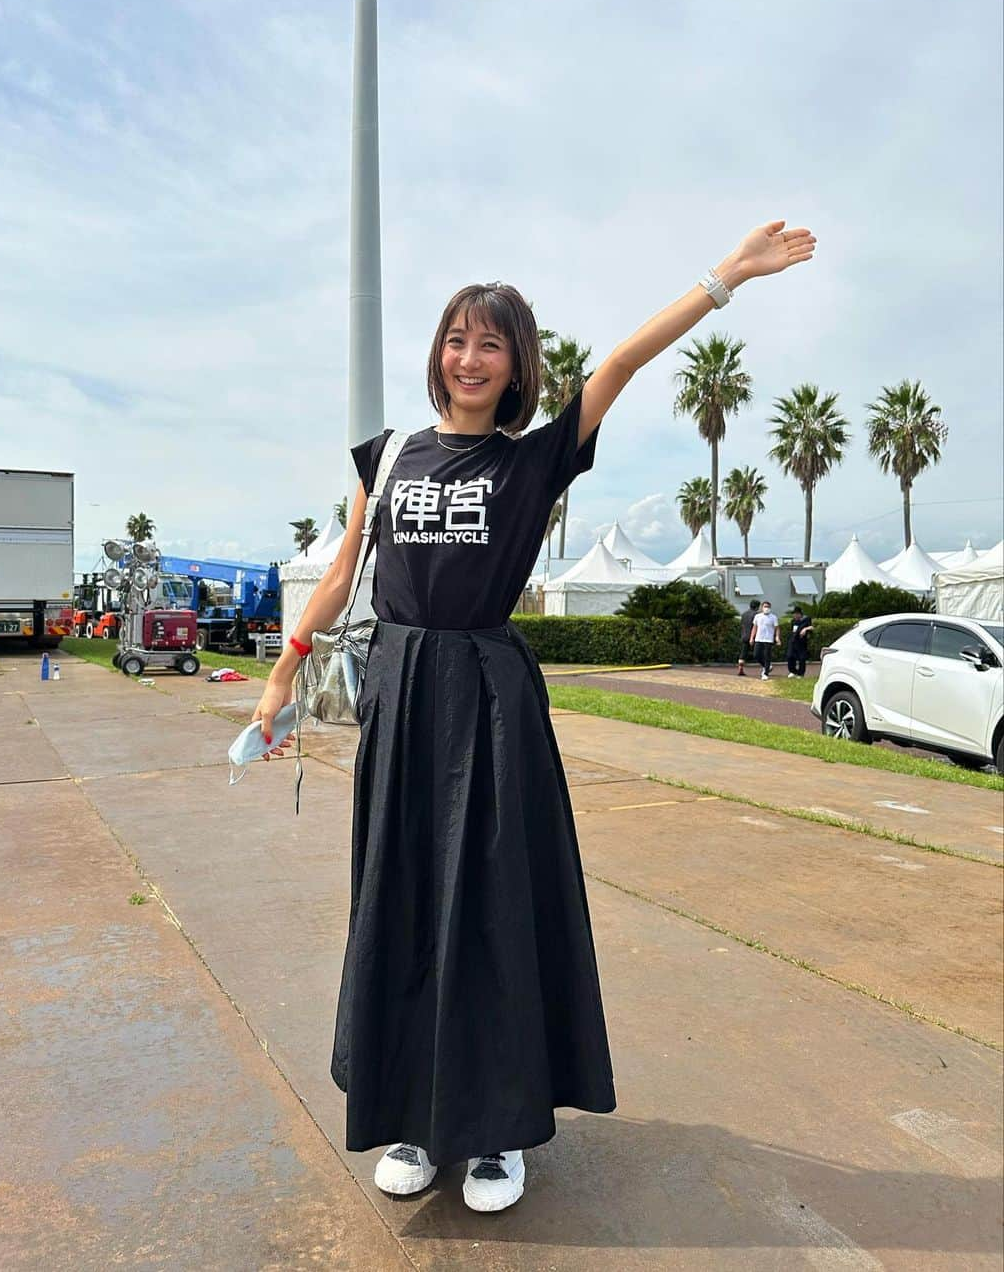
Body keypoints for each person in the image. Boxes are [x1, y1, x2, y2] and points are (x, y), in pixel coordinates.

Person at [250, 219, 815, 1211]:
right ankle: (421, 1124)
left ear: (516, 366)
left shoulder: (535, 460)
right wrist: (281, 672)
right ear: (439, 353)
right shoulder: (386, 458)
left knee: (493, 914)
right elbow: (343, 576)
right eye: (457, 339)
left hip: (492, 704)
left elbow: (627, 359)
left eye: (491, 343)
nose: (469, 358)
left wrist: (725, 278)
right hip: (402, 690)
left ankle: (501, 1134)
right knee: (404, 905)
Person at [750, 598, 780, 680]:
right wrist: (751, 638)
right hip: (759, 638)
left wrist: (777, 637)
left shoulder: (773, 617)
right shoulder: (757, 616)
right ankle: (766, 666)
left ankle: (766, 673)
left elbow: (777, 628)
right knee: (756, 655)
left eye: (768, 607)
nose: (766, 608)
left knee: (767, 656)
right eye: (765, 606)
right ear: (762, 607)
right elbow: (754, 628)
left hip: (768, 639)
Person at [786, 605, 813, 677]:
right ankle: (793, 671)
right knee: (790, 656)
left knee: (802, 658)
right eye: (793, 614)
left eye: (795, 614)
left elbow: (811, 627)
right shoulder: (793, 621)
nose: (794, 615)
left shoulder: (806, 619)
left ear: (799, 614)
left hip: (801, 642)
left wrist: (805, 629)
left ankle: (801, 673)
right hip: (793, 641)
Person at [737, 598, 760, 676]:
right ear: (757, 607)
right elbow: (756, 626)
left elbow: (742, 625)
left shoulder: (744, 614)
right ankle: (766, 666)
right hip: (753, 636)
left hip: (744, 635)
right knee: (760, 652)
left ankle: (740, 668)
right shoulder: (756, 615)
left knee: (743, 652)